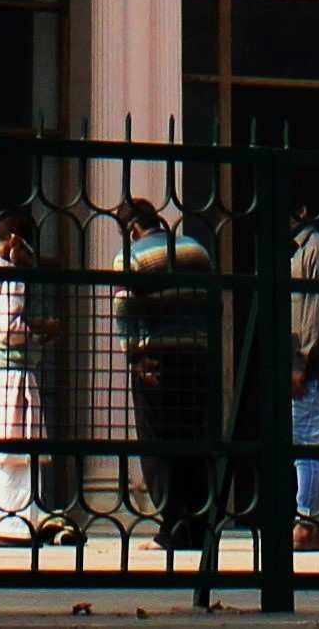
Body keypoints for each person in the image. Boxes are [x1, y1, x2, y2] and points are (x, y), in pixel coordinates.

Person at [116, 194, 226, 551]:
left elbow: (125, 311)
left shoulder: (131, 257)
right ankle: (197, 527)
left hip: (158, 359)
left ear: (132, 229)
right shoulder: (196, 249)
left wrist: (135, 358)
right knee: (195, 438)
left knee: (159, 443)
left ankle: (171, 528)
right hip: (198, 356)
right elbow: (215, 301)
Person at [0, 215, 63, 543]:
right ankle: (11, 524)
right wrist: (41, 330)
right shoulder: (10, 277)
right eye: (27, 248)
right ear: (14, 240)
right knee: (18, 448)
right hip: (13, 372)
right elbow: (9, 329)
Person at [283, 222, 319, 546]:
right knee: (309, 441)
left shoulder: (314, 247)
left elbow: (314, 311)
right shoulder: (296, 249)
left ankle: (306, 520)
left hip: (307, 364)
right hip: (298, 360)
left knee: (306, 442)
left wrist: (302, 361)